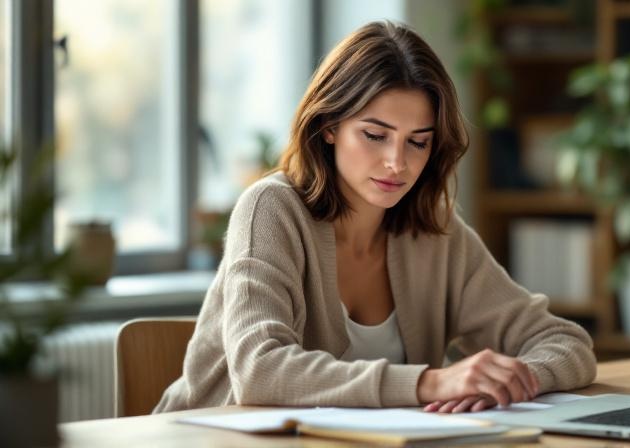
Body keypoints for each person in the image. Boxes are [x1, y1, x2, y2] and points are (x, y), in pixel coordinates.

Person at [155, 21, 595, 415]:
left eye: (417, 142)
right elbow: (260, 370)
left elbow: (568, 345)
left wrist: (507, 381)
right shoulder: (271, 210)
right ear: (328, 125)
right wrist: (430, 383)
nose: (396, 163)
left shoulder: (434, 232)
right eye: (374, 135)